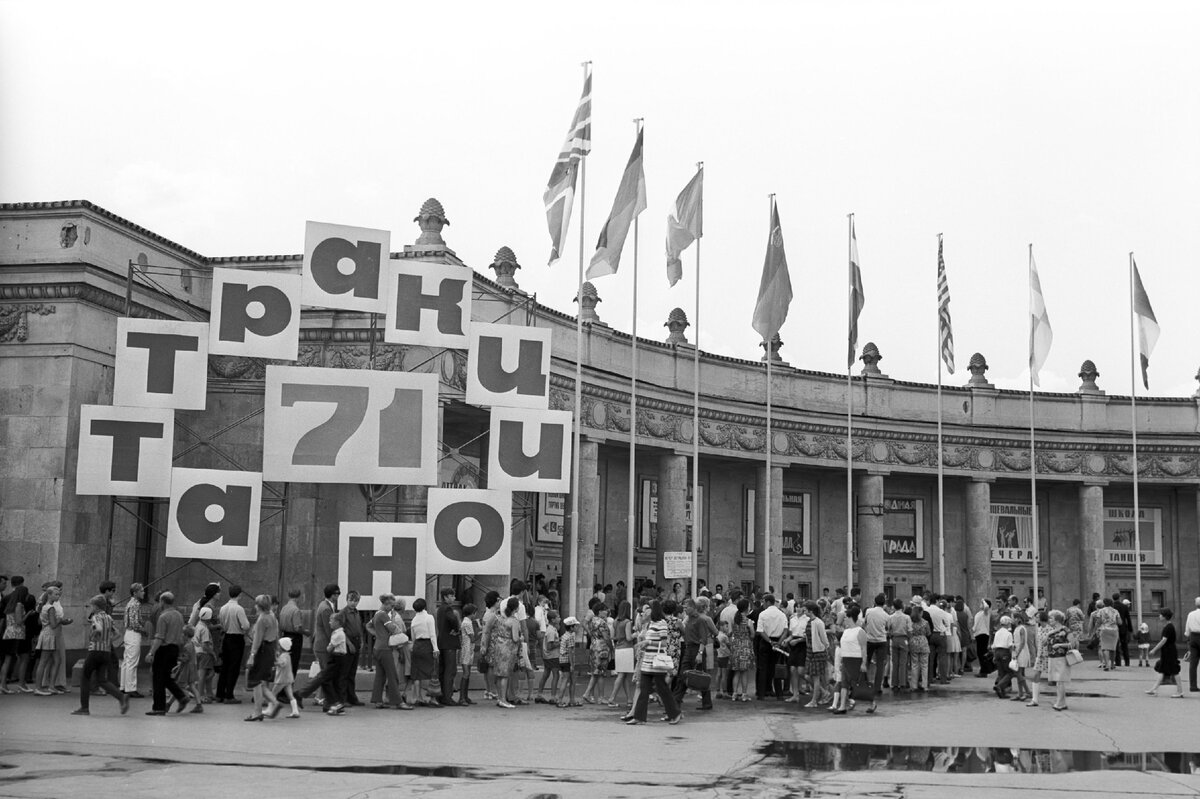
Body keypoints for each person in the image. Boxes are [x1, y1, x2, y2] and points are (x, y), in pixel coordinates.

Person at [624, 601, 682, 725]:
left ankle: (675, 713)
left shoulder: (661, 623)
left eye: (646, 609)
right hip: (647, 661)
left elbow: (664, 643)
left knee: (662, 689)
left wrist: (647, 643)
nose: (644, 612)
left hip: (656, 662)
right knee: (644, 689)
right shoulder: (650, 624)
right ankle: (639, 717)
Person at [71, 595, 129, 716]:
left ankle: (84, 707)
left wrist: (94, 636)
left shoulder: (96, 617)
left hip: (95, 650)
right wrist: (107, 641)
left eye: (91, 606)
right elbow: (118, 633)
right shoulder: (108, 617)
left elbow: (98, 628)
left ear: (96, 607)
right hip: (106, 651)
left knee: (85, 677)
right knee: (102, 679)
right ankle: (121, 697)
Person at [145, 591, 189, 715]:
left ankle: (158, 707)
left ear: (162, 602)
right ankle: (181, 696)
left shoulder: (163, 616)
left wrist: (151, 653)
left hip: (164, 649)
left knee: (158, 678)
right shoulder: (179, 615)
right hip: (174, 649)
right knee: (166, 677)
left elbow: (159, 637)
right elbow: (181, 636)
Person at [673, 596, 717, 712]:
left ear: (693, 608)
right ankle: (676, 701)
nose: (685, 610)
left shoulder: (700, 620)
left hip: (697, 649)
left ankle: (706, 702)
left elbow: (703, 639)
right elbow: (686, 634)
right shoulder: (689, 620)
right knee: (683, 675)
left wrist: (700, 653)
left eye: (686, 608)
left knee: (701, 676)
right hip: (689, 648)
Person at [245, 594, 281, 721]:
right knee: (261, 681)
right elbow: (276, 635)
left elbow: (257, 640)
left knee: (255, 680)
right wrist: (277, 651)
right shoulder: (272, 616)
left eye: (256, 604)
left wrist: (252, 655)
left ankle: (257, 711)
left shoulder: (262, 619)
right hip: (270, 648)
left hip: (262, 650)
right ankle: (274, 702)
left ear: (259, 606)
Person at [369, 594, 409, 710]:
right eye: (391, 605)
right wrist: (402, 635)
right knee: (392, 675)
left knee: (380, 675)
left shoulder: (376, 614)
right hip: (386, 649)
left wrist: (377, 634)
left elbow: (368, 625)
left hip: (377, 647)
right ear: (385, 603)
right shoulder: (384, 615)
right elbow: (393, 629)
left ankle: (377, 700)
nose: (392, 608)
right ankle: (398, 702)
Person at [215, 585, 250, 703]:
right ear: (240, 594)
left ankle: (220, 693)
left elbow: (222, 623)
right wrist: (244, 630)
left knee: (225, 666)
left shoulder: (223, 608)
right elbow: (245, 625)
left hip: (227, 637)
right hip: (237, 637)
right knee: (234, 667)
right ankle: (229, 695)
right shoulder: (239, 609)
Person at [34, 585, 69, 696]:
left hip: (49, 634)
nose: (58, 596)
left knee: (56, 660)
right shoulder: (50, 607)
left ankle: (51, 686)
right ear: (49, 594)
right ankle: (38, 688)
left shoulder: (45, 606)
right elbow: (53, 625)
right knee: (44, 661)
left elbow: (42, 622)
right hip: (50, 634)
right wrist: (61, 620)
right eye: (56, 594)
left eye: (58, 594)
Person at [0, 581, 33, 693]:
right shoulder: (19, 605)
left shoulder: (11, 604)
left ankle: (3, 684)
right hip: (16, 633)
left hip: (8, 632)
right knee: (10, 659)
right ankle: (4, 685)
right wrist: (28, 614)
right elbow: (19, 621)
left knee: (7, 660)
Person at [310, 584, 340, 707]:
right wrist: (335, 642)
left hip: (320, 643)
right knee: (326, 673)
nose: (337, 596)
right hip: (324, 645)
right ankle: (316, 695)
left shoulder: (324, 605)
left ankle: (319, 696)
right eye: (336, 594)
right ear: (331, 595)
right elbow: (329, 629)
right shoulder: (326, 608)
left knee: (324, 672)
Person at [754, 593, 788, 700]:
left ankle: (761, 694)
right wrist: (779, 642)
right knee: (776, 667)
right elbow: (785, 630)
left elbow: (760, 631)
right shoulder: (782, 614)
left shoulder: (763, 614)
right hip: (778, 641)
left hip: (765, 642)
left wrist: (769, 641)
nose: (763, 604)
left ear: (768, 602)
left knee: (763, 668)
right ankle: (779, 694)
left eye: (764, 602)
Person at [1145, 608, 1183, 698]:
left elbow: (1163, 640)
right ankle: (1154, 690)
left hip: (1170, 652)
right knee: (1162, 670)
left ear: (1165, 616)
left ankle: (1180, 691)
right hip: (1167, 651)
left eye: (1161, 614)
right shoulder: (1168, 626)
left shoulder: (1168, 627)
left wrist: (1154, 650)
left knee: (1175, 670)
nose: (1159, 616)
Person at [336, 591, 364, 706]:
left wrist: (361, 641)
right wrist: (349, 643)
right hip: (348, 641)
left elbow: (359, 627)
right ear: (347, 600)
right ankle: (342, 698)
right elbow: (340, 629)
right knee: (344, 672)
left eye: (355, 600)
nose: (353, 603)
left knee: (352, 672)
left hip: (357, 640)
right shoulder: (343, 612)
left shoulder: (357, 613)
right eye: (351, 600)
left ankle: (352, 697)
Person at [434, 586, 462, 706]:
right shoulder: (448, 609)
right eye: (451, 596)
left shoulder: (440, 609)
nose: (454, 598)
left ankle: (441, 695)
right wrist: (457, 629)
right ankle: (447, 696)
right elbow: (453, 620)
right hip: (449, 643)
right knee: (450, 671)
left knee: (443, 670)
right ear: (446, 597)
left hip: (442, 642)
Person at [581, 600, 612, 704]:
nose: (606, 612)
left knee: (595, 672)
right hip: (602, 648)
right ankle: (600, 697)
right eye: (604, 610)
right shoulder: (602, 622)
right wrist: (611, 648)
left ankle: (587, 693)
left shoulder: (593, 621)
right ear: (599, 611)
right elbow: (606, 637)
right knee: (601, 673)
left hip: (593, 646)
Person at [493, 597, 522, 709]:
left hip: (499, 646)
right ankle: (504, 699)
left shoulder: (502, 619)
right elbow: (515, 638)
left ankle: (500, 698)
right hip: (509, 648)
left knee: (499, 675)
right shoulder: (514, 621)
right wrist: (521, 638)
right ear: (516, 608)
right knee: (505, 675)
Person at [409, 597, 438, 706]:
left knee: (417, 673)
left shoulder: (414, 620)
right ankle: (433, 698)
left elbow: (413, 637)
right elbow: (432, 634)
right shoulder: (429, 617)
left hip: (417, 645)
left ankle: (418, 697)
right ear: (425, 606)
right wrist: (435, 648)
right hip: (427, 645)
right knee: (432, 671)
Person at [119, 583, 147, 697]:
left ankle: (124, 686)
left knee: (127, 660)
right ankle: (131, 688)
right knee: (132, 661)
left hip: (128, 633)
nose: (143, 592)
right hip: (134, 633)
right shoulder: (135, 604)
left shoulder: (130, 603)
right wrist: (144, 630)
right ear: (135, 593)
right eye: (141, 591)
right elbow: (135, 623)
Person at [606, 601, 635, 707]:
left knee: (623, 674)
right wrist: (635, 634)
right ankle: (612, 698)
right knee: (623, 675)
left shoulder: (615, 621)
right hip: (627, 648)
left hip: (618, 648)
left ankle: (629, 699)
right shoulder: (627, 622)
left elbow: (613, 637)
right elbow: (629, 637)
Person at [1044, 609, 1073, 711]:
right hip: (1052, 657)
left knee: (1060, 681)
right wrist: (1048, 635)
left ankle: (1059, 703)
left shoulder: (1065, 630)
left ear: (1057, 620)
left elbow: (1073, 644)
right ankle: (1062, 702)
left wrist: (1060, 644)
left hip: (1061, 657)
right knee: (1057, 681)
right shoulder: (1051, 630)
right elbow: (1044, 642)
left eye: (1051, 618)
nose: (1049, 620)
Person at [863, 593, 889, 699]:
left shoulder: (869, 611)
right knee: (880, 665)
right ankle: (878, 687)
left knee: (866, 662)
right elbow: (888, 628)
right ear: (884, 603)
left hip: (869, 640)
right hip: (881, 641)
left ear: (874, 602)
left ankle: (864, 683)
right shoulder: (886, 615)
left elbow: (864, 622)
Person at [804, 601, 830, 708]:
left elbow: (824, 638)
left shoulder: (818, 622)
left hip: (818, 652)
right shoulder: (810, 621)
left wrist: (826, 647)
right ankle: (824, 693)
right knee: (808, 675)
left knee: (815, 677)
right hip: (811, 651)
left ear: (810, 611)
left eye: (805, 609)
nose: (804, 611)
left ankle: (814, 700)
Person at [729, 598, 756, 702]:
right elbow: (753, 635)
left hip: (735, 646)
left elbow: (732, 633)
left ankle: (734, 694)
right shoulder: (748, 621)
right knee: (744, 672)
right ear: (746, 608)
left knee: (736, 672)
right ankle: (744, 694)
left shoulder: (735, 620)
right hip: (745, 647)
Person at [277, 588, 305, 680]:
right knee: (293, 663)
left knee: (285, 663)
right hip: (294, 638)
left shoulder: (283, 608)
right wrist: (305, 632)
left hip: (284, 636)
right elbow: (297, 627)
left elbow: (280, 625)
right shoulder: (296, 610)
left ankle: (282, 686)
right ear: (298, 597)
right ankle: (289, 685)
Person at [1088, 598, 1120, 671]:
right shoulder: (1115, 611)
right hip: (1114, 631)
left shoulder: (1101, 611)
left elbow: (1098, 622)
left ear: (1104, 604)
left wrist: (1094, 631)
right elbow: (1120, 622)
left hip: (1104, 630)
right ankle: (1112, 664)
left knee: (1105, 648)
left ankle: (1106, 665)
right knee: (1113, 648)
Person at [271, 636, 301, 718]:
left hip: (281, 679)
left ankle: (270, 710)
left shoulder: (283, 656)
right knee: (290, 695)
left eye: (278, 645)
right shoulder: (287, 655)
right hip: (288, 679)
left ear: (281, 647)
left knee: (272, 694)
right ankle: (295, 711)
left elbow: (282, 664)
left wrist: (275, 661)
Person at [887, 597, 911, 693]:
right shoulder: (906, 617)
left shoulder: (890, 617)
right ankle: (903, 683)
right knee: (903, 663)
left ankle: (894, 684)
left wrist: (892, 636)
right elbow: (909, 630)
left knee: (895, 662)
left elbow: (888, 630)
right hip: (904, 639)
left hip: (894, 639)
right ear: (901, 606)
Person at [194, 607, 216, 703]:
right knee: (202, 675)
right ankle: (201, 695)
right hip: (205, 654)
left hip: (197, 652)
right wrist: (213, 653)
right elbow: (205, 644)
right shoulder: (205, 629)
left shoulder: (198, 626)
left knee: (208, 674)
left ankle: (209, 693)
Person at [556, 615, 578, 708]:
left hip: (562, 659)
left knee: (570, 680)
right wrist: (572, 664)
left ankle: (571, 700)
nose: (576, 627)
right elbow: (570, 651)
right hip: (567, 660)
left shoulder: (565, 635)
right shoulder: (570, 637)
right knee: (566, 680)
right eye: (575, 626)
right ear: (571, 627)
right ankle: (560, 700)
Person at [458, 603, 477, 705]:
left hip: (468, 648)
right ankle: (462, 697)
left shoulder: (466, 621)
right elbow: (473, 638)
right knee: (466, 673)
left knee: (467, 673)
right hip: (467, 649)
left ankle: (465, 696)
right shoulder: (467, 623)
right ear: (472, 613)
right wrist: (480, 632)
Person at [908, 606, 931, 693]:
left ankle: (914, 685)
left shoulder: (911, 622)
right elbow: (928, 633)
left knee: (914, 665)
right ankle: (924, 685)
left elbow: (909, 631)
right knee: (924, 665)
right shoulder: (925, 622)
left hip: (913, 642)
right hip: (923, 642)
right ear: (920, 613)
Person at [991, 616, 1015, 698]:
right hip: (1005, 652)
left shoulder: (997, 633)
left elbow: (994, 645)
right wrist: (1013, 657)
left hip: (997, 652)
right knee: (1010, 672)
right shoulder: (1009, 634)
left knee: (1001, 673)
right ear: (1008, 623)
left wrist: (994, 656)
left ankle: (1002, 692)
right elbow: (1010, 646)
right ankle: (1000, 686)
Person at [1186, 596, 1200, 693]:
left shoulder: (1191, 614)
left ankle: (1193, 686)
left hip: (1194, 637)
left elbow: (1187, 629)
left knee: (1193, 663)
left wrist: (1188, 636)